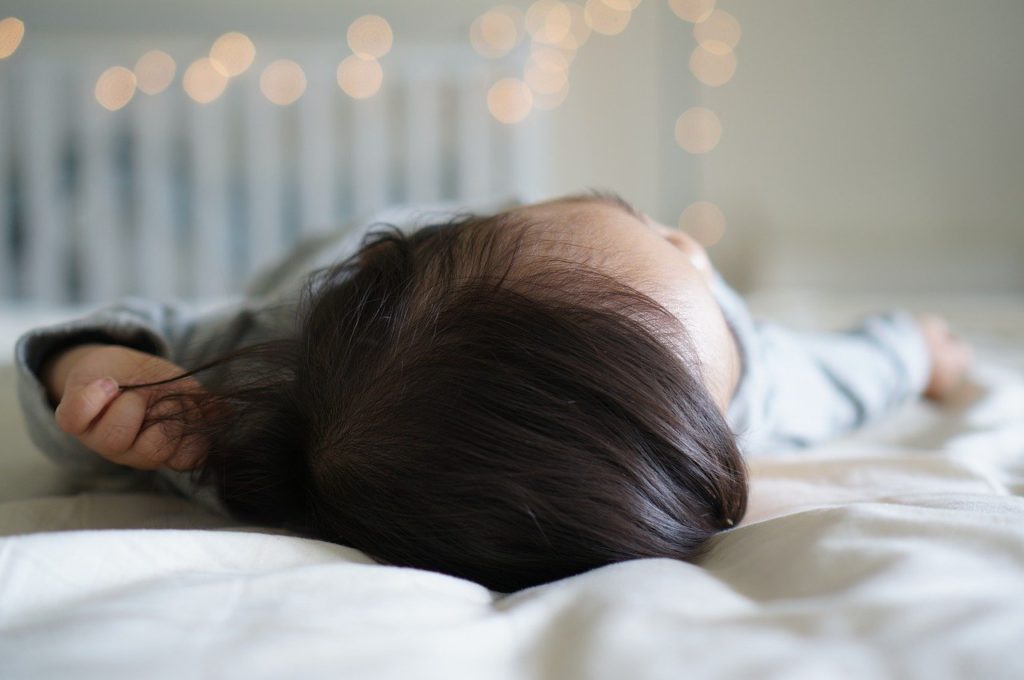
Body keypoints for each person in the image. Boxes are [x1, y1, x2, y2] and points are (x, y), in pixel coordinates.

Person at [14, 191, 973, 592]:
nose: (695, 243)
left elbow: (111, 349)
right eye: (664, 238)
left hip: (378, 280)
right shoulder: (735, 366)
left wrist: (102, 380)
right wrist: (911, 352)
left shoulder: (255, 389)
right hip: (442, 274)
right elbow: (853, 373)